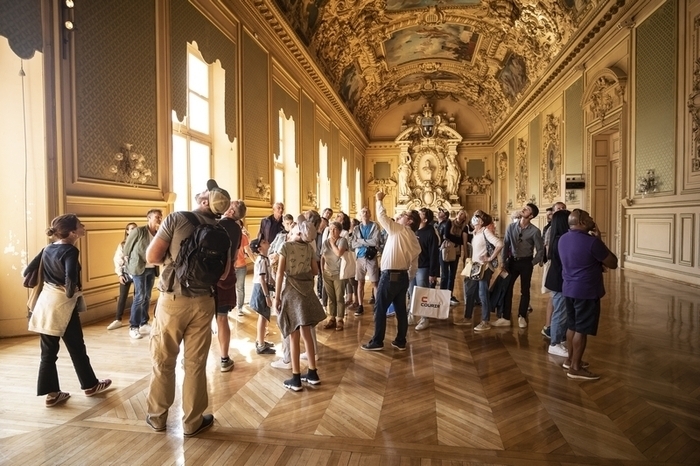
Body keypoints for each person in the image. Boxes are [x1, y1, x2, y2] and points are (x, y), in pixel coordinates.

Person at [144, 179, 232, 437]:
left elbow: (151, 257)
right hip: (205, 302)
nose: (203, 191)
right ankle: (193, 422)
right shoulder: (224, 233)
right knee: (195, 364)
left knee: (163, 360)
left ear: (205, 201)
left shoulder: (176, 219)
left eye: (207, 191)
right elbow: (225, 274)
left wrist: (174, 259)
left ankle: (157, 417)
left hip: (173, 301)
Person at [25, 214, 112, 407]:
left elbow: (27, 272)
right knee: (77, 348)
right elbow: (70, 279)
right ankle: (90, 386)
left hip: (45, 303)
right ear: (73, 232)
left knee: (48, 352)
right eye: (80, 225)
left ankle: (52, 394)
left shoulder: (47, 248)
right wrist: (71, 289)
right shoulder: (71, 251)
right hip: (63, 305)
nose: (83, 226)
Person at [559, 209, 618, 380]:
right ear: (582, 222)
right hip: (586, 290)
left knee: (572, 326)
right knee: (582, 330)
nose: (593, 219)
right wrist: (599, 239)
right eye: (589, 218)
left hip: (568, 288)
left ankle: (570, 360)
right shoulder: (591, 242)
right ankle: (575, 368)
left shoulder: (562, 239)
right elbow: (612, 263)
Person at [361, 191, 421, 352]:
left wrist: (379, 199)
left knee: (380, 308)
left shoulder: (399, 229)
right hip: (402, 278)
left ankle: (377, 341)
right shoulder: (415, 240)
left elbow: (381, 217)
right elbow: (414, 266)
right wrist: (407, 278)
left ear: (409, 221)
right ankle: (400, 340)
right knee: (401, 310)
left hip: (389, 276)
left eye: (404, 215)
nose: (400, 215)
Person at [273, 217, 327, 391]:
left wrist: (277, 297)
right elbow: (315, 271)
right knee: (307, 334)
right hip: (306, 292)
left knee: (293, 335)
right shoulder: (309, 248)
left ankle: (295, 377)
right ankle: (312, 372)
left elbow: (280, 274)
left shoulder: (285, 247)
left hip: (291, 292)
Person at [455, 211, 503, 331]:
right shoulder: (475, 232)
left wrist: (490, 258)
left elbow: (499, 243)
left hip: (484, 268)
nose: (474, 218)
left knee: (483, 294)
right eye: (474, 216)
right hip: (474, 266)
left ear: (482, 221)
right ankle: (467, 318)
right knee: (470, 292)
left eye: (477, 217)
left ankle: (485, 321)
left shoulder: (486, 231)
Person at [501, 203, 544, 328]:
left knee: (525, 290)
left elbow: (540, 250)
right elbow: (506, 245)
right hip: (512, 262)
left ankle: (522, 316)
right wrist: (503, 262)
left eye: (527, 209)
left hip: (526, 262)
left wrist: (532, 263)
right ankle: (505, 317)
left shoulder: (535, 231)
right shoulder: (511, 227)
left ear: (531, 216)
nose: (523, 209)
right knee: (507, 288)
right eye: (524, 207)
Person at [123, 209, 163, 340]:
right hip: (138, 268)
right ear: (149, 218)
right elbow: (127, 248)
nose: (159, 218)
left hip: (151, 268)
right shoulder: (139, 231)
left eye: (160, 216)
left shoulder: (158, 233)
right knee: (139, 296)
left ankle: (144, 322)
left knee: (147, 296)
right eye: (157, 216)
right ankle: (133, 326)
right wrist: (127, 262)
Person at [216, 200, 244, 371]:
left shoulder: (216, 224)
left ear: (231, 211)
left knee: (202, 320)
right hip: (227, 276)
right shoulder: (238, 229)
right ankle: (224, 359)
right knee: (222, 318)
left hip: (209, 277)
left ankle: (192, 357)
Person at [543, 209, 571, 357]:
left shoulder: (557, 237)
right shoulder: (562, 239)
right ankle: (554, 343)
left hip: (556, 279)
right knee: (560, 312)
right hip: (559, 280)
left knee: (562, 311)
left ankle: (559, 339)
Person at [410, 208, 440, 331]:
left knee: (423, 295)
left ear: (425, 219)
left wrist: (433, 273)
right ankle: (412, 315)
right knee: (411, 292)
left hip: (424, 267)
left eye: (420, 214)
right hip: (413, 266)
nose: (418, 214)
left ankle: (424, 318)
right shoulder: (414, 230)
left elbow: (434, 254)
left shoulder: (430, 233)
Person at [541, 201, 567, 338]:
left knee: (558, 301)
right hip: (554, 268)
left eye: (563, 208)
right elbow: (548, 251)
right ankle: (550, 329)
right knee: (555, 300)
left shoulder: (563, 230)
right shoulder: (552, 230)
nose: (562, 210)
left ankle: (556, 331)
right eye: (559, 208)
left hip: (558, 270)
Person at [351, 207, 381, 316]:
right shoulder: (356, 229)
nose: (365, 213)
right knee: (360, 282)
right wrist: (367, 242)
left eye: (367, 211)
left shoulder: (375, 226)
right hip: (360, 257)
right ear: (360, 214)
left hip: (371, 257)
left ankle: (378, 306)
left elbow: (375, 241)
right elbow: (353, 244)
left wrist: (361, 241)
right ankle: (360, 305)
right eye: (363, 211)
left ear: (370, 214)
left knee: (374, 282)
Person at [249, 237, 276, 355]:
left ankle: (261, 340)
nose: (267, 242)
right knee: (262, 317)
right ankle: (260, 345)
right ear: (259, 249)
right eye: (264, 242)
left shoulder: (264, 259)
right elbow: (262, 279)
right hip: (261, 291)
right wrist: (267, 296)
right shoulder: (262, 260)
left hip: (262, 290)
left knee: (264, 317)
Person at [107, 222, 137, 330]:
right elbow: (117, 259)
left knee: (138, 297)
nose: (133, 230)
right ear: (127, 231)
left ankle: (135, 321)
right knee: (122, 297)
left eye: (135, 228)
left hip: (138, 273)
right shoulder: (122, 244)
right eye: (131, 228)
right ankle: (118, 319)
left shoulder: (140, 242)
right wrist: (119, 274)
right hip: (126, 273)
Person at [320, 221, 349, 331]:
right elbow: (323, 256)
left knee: (339, 297)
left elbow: (339, 253)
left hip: (338, 273)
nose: (332, 231)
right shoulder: (325, 242)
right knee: (330, 297)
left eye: (334, 229)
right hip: (327, 273)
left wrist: (332, 243)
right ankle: (331, 318)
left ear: (340, 231)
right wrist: (322, 270)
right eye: (330, 229)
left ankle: (340, 319)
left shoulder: (342, 240)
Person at [233, 203, 253, 317]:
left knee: (240, 287)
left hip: (241, 266)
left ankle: (239, 307)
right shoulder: (228, 234)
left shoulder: (243, 237)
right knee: (232, 287)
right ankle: (233, 306)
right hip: (231, 266)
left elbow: (248, 250)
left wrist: (255, 261)